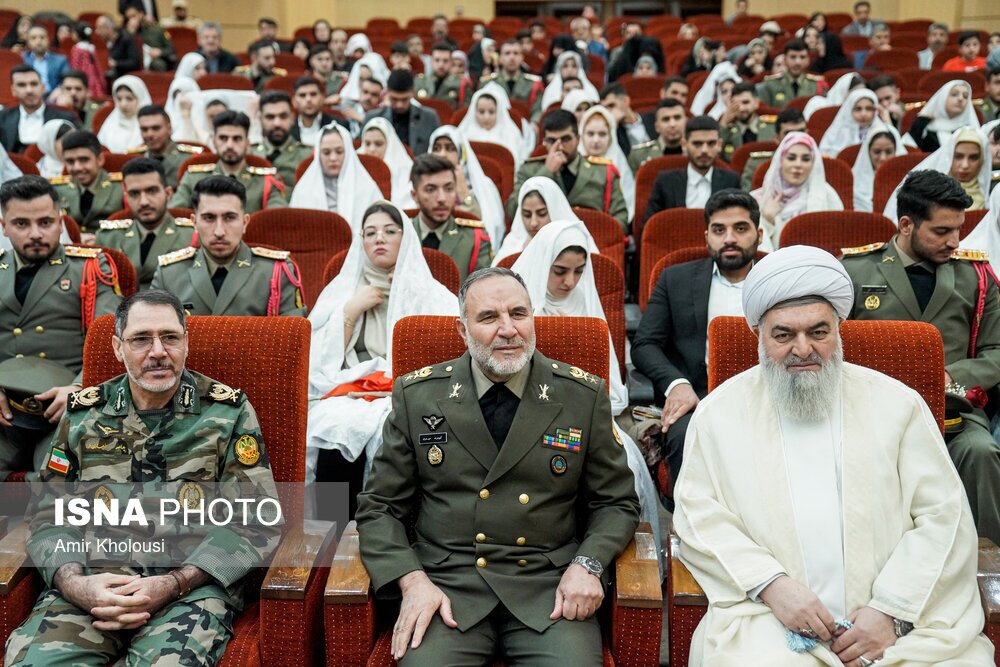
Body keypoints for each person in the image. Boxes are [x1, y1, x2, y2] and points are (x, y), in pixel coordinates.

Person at [675, 243, 995, 666]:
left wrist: (891, 611)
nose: (803, 349)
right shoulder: (719, 414)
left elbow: (944, 517)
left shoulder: (898, 405)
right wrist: (771, 585)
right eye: (784, 335)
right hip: (769, 619)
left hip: (902, 625)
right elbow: (698, 514)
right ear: (759, 335)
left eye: (818, 332)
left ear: (839, 329)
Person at [355, 265, 639, 666]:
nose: (508, 329)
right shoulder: (419, 396)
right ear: (463, 330)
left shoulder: (581, 395)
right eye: (489, 317)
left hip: (549, 586)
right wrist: (411, 580)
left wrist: (588, 564)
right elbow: (379, 507)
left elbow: (617, 502)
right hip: (448, 587)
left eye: (518, 314)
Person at [7, 289, 280, 666]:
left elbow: (255, 520)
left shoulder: (227, 412)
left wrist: (173, 584)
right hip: (93, 587)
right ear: (118, 348)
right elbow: (48, 514)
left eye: (170, 337)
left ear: (186, 343)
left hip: (189, 592)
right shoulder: (85, 415)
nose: (158, 351)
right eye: (141, 339)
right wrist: (76, 584)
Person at [844, 170, 1000, 550]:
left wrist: (949, 375)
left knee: (982, 452)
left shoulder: (975, 276)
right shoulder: (855, 271)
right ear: (906, 225)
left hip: (952, 413)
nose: (955, 241)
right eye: (942, 231)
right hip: (871, 411)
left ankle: (986, 561)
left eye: (959, 229)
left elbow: (996, 349)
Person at [512, 219, 662, 546]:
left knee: (624, 470)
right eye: (560, 271)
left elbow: (604, 380)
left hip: (581, 413)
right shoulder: (514, 310)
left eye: (579, 271)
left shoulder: (585, 302)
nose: (570, 282)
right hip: (519, 413)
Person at [306, 201, 458, 489]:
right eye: (370, 233)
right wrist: (350, 311)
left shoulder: (428, 291)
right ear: (361, 241)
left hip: (409, 391)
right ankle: (332, 516)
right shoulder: (343, 289)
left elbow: (452, 340)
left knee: (389, 426)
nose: (379, 238)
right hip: (351, 391)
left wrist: (410, 293)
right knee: (332, 427)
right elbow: (319, 360)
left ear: (405, 238)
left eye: (389, 231)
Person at [632, 189, 763, 498]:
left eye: (740, 228)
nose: (729, 238)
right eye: (719, 230)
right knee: (683, 437)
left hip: (768, 395)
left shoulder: (780, 280)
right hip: (699, 397)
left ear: (758, 235)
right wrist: (676, 384)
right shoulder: (675, 279)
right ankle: (690, 525)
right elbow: (644, 344)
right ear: (707, 236)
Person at [0, 175, 121, 478]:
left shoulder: (89, 267)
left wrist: (80, 389)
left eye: (45, 222)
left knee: (61, 479)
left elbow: (112, 341)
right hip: (5, 409)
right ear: (4, 226)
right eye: (21, 224)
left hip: (66, 406)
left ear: (60, 221)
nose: (35, 233)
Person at [153, 176, 303, 316]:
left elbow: (292, 332)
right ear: (194, 223)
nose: (219, 232)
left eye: (229, 218)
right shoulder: (169, 274)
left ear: (245, 222)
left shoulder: (274, 272)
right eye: (209, 218)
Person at [508, 110, 628, 232]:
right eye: (552, 141)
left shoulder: (602, 171)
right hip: (544, 239)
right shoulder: (529, 170)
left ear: (578, 139)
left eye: (565, 139)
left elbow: (620, 217)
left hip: (593, 238)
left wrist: (601, 236)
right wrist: (547, 172)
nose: (559, 147)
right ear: (544, 142)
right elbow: (512, 211)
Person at [95, 157, 194, 289]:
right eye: (134, 194)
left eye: (152, 191)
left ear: (168, 194)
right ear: (126, 198)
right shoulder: (108, 237)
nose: (144, 202)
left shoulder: (191, 235)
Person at [170, 111, 288, 213]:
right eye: (223, 138)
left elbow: (275, 219)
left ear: (247, 143)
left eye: (237, 139)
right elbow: (174, 214)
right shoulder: (193, 178)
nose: (229, 145)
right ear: (214, 141)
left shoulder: (265, 181)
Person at [751, 132, 843, 250]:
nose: (798, 165)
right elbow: (752, 247)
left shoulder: (827, 195)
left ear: (813, 163)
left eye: (805, 159)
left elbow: (838, 239)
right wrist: (767, 219)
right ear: (780, 161)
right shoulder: (757, 199)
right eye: (791, 158)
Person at [409, 154, 491, 281]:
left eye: (449, 188)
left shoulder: (474, 237)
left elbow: (482, 288)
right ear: (414, 195)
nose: (442, 198)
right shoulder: (401, 235)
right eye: (431, 190)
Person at [643, 116, 739, 221]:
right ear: (684, 145)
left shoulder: (731, 181)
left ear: (719, 145)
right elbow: (650, 225)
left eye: (711, 143)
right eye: (697, 144)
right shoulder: (665, 182)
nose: (704, 150)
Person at [290, 123, 384, 228]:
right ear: (318, 155)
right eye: (326, 152)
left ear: (348, 153)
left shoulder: (367, 188)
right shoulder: (303, 191)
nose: (333, 158)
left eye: (339, 152)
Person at [885, 128, 992, 218]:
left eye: (973, 158)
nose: (965, 165)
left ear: (982, 160)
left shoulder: (992, 193)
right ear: (948, 157)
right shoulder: (926, 194)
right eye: (958, 156)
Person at [429, 125, 506, 249]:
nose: (442, 154)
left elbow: (488, 228)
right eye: (437, 148)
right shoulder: (421, 184)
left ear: (461, 153)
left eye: (450, 148)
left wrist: (465, 194)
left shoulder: (483, 185)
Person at [494, 177, 582, 266]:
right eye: (527, 215)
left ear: (555, 212)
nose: (533, 223)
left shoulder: (574, 246)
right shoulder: (512, 245)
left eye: (542, 214)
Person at [51, 130, 125, 233]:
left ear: (100, 160)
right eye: (70, 161)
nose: (77, 167)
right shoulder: (58, 189)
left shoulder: (121, 187)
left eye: (84, 160)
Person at [0, 65, 78, 154]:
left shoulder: (65, 118)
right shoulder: (2, 118)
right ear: (13, 90)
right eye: (22, 85)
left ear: (43, 88)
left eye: (34, 84)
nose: (29, 90)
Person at [363, 69, 440, 157]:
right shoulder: (373, 118)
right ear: (387, 93)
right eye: (394, 99)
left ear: (413, 93)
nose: (399, 105)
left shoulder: (429, 118)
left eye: (404, 99)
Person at [578, 106, 635, 223]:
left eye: (602, 134)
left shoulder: (619, 164)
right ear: (581, 135)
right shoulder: (573, 164)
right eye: (590, 134)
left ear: (611, 137)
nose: (596, 140)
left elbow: (626, 206)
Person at [247, 90, 311, 192]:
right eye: (270, 117)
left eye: (283, 116)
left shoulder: (308, 156)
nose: (277, 123)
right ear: (260, 119)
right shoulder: (249, 154)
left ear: (292, 118)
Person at [458, 84, 533, 166]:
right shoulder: (464, 134)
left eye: (491, 112)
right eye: (481, 112)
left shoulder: (511, 134)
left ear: (498, 112)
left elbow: (519, 162)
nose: (486, 117)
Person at [133, 105, 204, 191]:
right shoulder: (134, 158)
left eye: (156, 128)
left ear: (169, 129)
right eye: (144, 129)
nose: (150, 134)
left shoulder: (190, 157)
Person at [740, 108, 807, 191]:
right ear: (777, 138)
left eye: (800, 132)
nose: (796, 139)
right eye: (789, 134)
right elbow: (747, 198)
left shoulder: (818, 163)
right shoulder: (757, 165)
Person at [478, 39, 545, 121]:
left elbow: (537, 111)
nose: (512, 57)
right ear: (500, 58)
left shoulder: (534, 84)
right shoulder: (487, 83)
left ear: (522, 57)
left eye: (516, 53)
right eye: (507, 53)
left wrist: (533, 125)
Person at [905, 80, 980, 152]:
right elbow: (907, 150)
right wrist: (921, 122)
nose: (960, 99)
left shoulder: (970, 129)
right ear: (942, 98)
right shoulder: (924, 124)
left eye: (965, 96)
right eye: (954, 94)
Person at [359, 117, 416, 209]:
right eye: (367, 144)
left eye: (378, 144)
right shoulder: (355, 165)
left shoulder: (405, 169)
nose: (372, 149)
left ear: (390, 145)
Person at [851, 120, 906, 212]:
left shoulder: (907, 181)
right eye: (877, 152)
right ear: (868, 153)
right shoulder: (854, 181)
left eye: (888, 152)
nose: (883, 158)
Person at [756, 39, 827, 108]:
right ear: (785, 59)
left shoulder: (816, 84)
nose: (797, 62)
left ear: (808, 60)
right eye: (793, 57)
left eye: (802, 57)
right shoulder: (770, 84)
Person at [96, 75, 151, 153]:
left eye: (129, 99)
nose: (123, 104)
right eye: (119, 99)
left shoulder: (151, 126)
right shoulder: (110, 124)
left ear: (140, 99)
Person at [629, 99, 687, 172]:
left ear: (686, 121)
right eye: (666, 119)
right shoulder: (639, 155)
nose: (672, 124)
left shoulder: (695, 152)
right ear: (657, 126)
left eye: (677, 118)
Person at [719, 82, 775, 157]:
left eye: (745, 102)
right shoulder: (727, 131)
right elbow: (717, 155)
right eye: (736, 104)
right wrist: (724, 123)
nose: (741, 108)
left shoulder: (771, 128)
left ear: (756, 103)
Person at [818, 88, 879, 156]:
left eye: (869, 109)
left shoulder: (880, 131)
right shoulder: (836, 133)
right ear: (848, 110)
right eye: (858, 109)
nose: (863, 114)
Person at [291, 76, 346, 146]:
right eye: (302, 95)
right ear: (294, 101)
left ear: (322, 98)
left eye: (313, 94)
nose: (308, 99)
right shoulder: (287, 128)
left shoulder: (339, 125)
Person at [599, 83, 650, 153]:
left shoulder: (652, 119)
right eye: (605, 108)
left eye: (611, 105)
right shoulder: (614, 132)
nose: (608, 112)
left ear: (626, 101)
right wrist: (614, 124)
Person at [123, 4, 175, 72]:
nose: (131, 20)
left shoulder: (157, 29)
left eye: (133, 16)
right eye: (128, 18)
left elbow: (170, 48)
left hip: (154, 59)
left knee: (158, 64)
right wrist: (130, 32)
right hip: (136, 61)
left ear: (141, 14)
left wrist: (160, 52)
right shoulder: (126, 33)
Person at [93, 15, 140, 86]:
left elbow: (134, 62)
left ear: (109, 28)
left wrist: (117, 64)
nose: (97, 32)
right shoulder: (105, 41)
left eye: (100, 28)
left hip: (125, 77)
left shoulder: (126, 39)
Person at [21, 25, 68, 93]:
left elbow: (67, 80)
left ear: (48, 40)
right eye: (33, 38)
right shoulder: (21, 58)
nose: (38, 41)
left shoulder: (61, 60)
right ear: (28, 42)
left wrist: (59, 90)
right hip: (28, 93)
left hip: (52, 95)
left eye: (42, 37)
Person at [415, 43, 462, 107]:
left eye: (445, 61)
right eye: (437, 60)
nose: (441, 65)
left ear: (451, 62)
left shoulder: (460, 83)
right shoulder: (420, 81)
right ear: (431, 61)